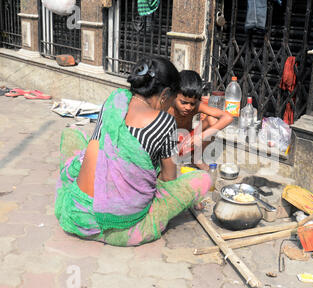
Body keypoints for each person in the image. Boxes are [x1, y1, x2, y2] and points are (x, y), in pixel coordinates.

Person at [55, 56, 212, 247]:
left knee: (71, 134)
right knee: (203, 179)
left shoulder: (115, 100)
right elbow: (169, 179)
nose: (170, 106)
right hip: (125, 228)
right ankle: (113, 230)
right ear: (165, 94)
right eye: (171, 100)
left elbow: (99, 147)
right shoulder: (165, 122)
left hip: (78, 216)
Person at [167, 70, 233, 170]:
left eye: (192, 104)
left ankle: (196, 159)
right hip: (168, 150)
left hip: (188, 145)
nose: (188, 107)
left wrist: (201, 136)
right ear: (174, 94)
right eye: (183, 102)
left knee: (212, 120)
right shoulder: (166, 107)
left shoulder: (197, 106)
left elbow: (228, 117)